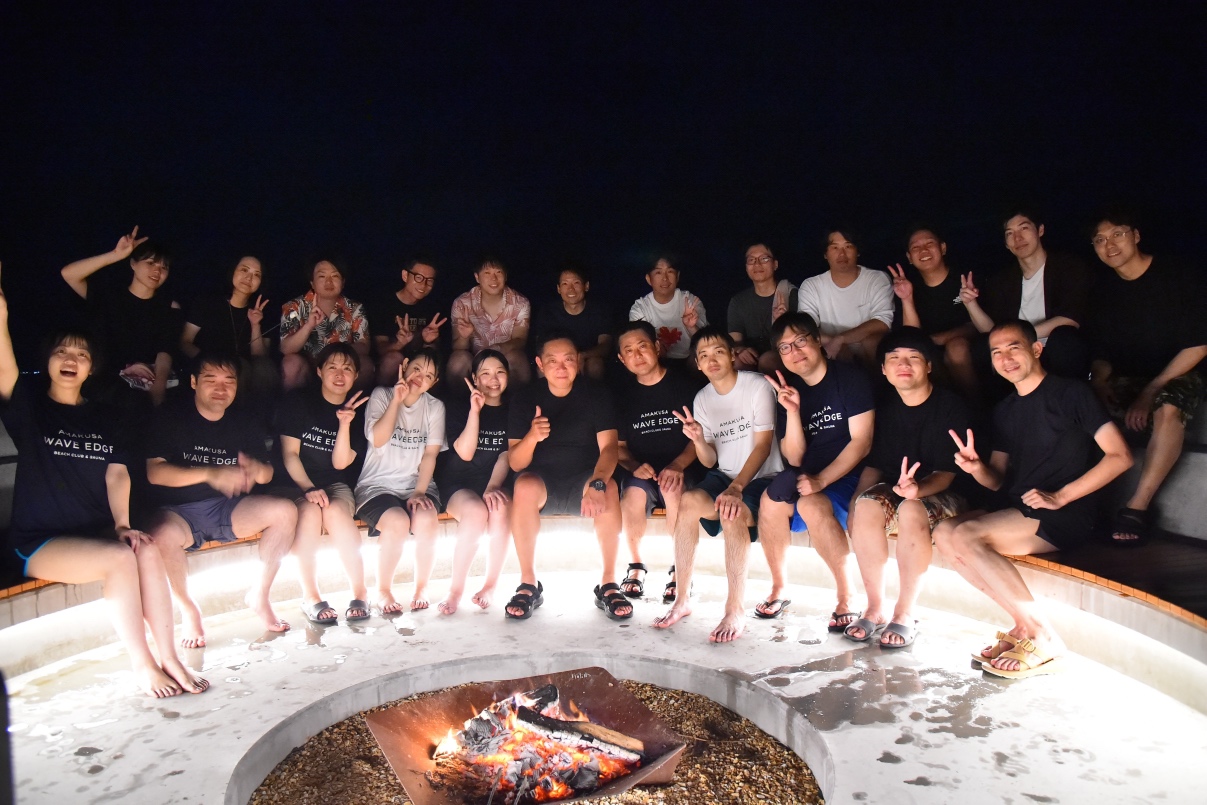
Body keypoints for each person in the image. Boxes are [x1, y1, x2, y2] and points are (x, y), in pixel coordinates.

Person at [0, 262, 207, 698]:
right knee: (117, 560)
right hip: (39, 540)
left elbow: (117, 473)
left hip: (95, 530)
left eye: (81, 355)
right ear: (48, 361)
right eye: (62, 352)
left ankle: (169, 656)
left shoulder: (104, 416)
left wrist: (121, 525)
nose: (70, 360)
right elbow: (5, 369)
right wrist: (1, 318)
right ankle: (143, 664)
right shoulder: (30, 409)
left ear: (92, 367)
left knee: (144, 548)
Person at [934, 320, 1132, 679]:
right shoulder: (1005, 409)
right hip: (1022, 508)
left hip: (1068, 513)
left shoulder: (1072, 394)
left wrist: (1060, 496)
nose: (1005, 358)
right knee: (944, 533)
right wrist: (976, 468)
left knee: (965, 535)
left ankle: (1044, 636)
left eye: (1014, 347)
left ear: (1036, 350)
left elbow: (1120, 456)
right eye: (996, 352)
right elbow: (997, 480)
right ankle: (1022, 624)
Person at [146, 353, 299, 648]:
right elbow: (155, 472)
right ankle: (188, 608)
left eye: (229, 381)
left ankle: (260, 594)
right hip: (179, 513)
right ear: (193, 382)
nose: (221, 388)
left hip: (227, 508)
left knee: (284, 511)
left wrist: (256, 470)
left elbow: (267, 473)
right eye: (211, 379)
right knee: (161, 535)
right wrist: (209, 473)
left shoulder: (244, 421)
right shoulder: (171, 416)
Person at [653, 325, 783, 642]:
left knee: (731, 511)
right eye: (704, 356)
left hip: (761, 476)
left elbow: (763, 445)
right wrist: (699, 440)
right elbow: (710, 460)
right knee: (687, 503)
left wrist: (737, 488)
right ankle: (682, 598)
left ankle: (734, 609)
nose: (711, 361)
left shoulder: (757, 386)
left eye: (719, 352)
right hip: (724, 475)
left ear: (733, 355)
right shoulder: (702, 399)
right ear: (697, 363)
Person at [1084, 211, 1207, 545]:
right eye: (1100, 240)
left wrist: (1151, 389)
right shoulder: (1104, 292)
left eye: (1117, 234)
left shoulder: (1177, 276)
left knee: (1168, 405)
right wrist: (1099, 382)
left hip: (1179, 372)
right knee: (1079, 401)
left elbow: (1199, 345)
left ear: (1136, 235)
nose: (1109, 245)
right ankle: (1080, 503)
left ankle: (1136, 508)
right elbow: (1103, 353)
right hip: (1130, 377)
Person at [843, 328, 971, 647]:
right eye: (895, 358)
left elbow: (947, 474)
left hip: (949, 492)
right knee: (866, 505)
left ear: (928, 366)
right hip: (902, 488)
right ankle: (875, 608)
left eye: (914, 357)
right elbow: (874, 465)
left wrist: (918, 490)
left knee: (912, 508)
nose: (904, 364)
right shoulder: (886, 408)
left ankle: (905, 613)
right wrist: (856, 501)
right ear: (884, 369)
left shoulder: (951, 406)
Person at [759, 312, 874, 633]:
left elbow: (862, 442)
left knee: (811, 504)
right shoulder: (789, 390)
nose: (794, 352)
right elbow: (794, 456)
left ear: (818, 340)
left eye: (800, 341)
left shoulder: (849, 379)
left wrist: (822, 480)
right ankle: (779, 588)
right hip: (809, 476)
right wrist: (793, 412)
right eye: (785, 348)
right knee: (769, 501)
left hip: (851, 474)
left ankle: (846, 596)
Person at [506, 332, 627, 621]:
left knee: (609, 487)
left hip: (584, 480)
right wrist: (532, 436)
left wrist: (597, 483)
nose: (561, 368)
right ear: (539, 364)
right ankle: (528, 583)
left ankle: (608, 583)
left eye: (568, 360)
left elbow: (609, 448)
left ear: (578, 361)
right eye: (553, 361)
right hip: (542, 483)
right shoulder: (525, 398)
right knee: (523, 486)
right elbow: (516, 462)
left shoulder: (596, 394)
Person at [277, 344, 370, 625]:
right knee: (309, 513)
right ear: (319, 371)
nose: (340, 375)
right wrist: (308, 488)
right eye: (332, 367)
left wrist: (345, 424)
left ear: (356, 375)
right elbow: (290, 454)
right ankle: (311, 596)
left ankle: (361, 592)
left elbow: (341, 464)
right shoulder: (299, 402)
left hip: (334, 483)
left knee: (336, 512)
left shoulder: (359, 409)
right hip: (295, 483)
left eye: (347, 369)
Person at [614, 321, 702, 600]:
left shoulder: (685, 387)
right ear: (621, 359)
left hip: (682, 469)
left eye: (642, 346)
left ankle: (680, 569)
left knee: (672, 487)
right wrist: (633, 466)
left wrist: (678, 465)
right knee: (632, 494)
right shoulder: (621, 397)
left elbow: (700, 438)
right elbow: (619, 448)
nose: (637, 355)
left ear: (656, 347)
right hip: (643, 472)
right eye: (629, 350)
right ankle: (636, 566)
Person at [354, 347, 445, 614]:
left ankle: (421, 587)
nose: (420, 377)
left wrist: (419, 492)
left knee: (426, 518)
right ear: (404, 366)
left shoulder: (435, 407)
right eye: (416, 369)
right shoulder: (382, 395)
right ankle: (383, 590)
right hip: (376, 485)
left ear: (434, 382)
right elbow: (378, 439)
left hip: (416, 484)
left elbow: (430, 454)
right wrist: (396, 400)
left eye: (428, 375)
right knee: (397, 521)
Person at [958, 210, 1091, 380]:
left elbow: (1070, 318)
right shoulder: (1002, 280)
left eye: (1024, 228)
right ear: (1006, 244)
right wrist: (970, 303)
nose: (1018, 238)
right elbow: (993, 332)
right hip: (1017, 351)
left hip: (1054, 347)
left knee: (1065, 340)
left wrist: (1019, 338)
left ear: (1040, 230)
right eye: (1010, 233)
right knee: (982, 347)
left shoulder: (1068, 267)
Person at [59, 226, 178, 409]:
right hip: (102, 382)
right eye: (150, 263)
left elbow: (166, 349)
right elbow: (69, 274)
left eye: (164, 267)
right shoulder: (108, 296)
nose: (157, 270)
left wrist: (158, 387)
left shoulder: (168, 306)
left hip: (145, 385)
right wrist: (115, 255)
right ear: (133, 264)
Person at [434, 349, 513, 614]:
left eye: (500, 372)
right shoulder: (458, 406)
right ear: (475, 378)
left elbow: (506, 454)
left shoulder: (514, 409)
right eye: (486, 373)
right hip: (458, 481)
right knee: (476, 512)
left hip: (494, 480)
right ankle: (455, 590)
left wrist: (492, 486)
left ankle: (490, 586)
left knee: (499, 507)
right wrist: (475, 411)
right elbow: (465, 453)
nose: (493, 379)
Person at [886, 227, 978, 398]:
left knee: (956, 348)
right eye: (916, 247)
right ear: (909, 257)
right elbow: (911, 335)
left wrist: (939, 339)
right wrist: (907, 298)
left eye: (929, 244)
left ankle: (973, 404)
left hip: (966, 345)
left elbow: (977, 326)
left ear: (943, 248)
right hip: (928, 348)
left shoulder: (965, 278)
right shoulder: (907, 285)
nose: (923, 251)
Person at [180, 256, 276, 419]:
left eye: (256, 274)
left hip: (247, 368)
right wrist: (208, 361)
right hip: (210, 363)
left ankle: (262, 423)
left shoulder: (262, 310)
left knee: (263, 368)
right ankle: (232, 421)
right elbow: (185, 341)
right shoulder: (208, 302)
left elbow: (260, 356)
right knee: (238, 368)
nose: (249, 278)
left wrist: (255, 324)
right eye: (244, 270)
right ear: (232, 271)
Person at [797, 229, 893, 368]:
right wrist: (835, 342)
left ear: (857, 251)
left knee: (872, 342)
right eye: (835, 247)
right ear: (825, 254)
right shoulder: (811, 285)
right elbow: (806, 328)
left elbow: (883, 321)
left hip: (868, 350)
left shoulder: (877, 279)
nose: (842, 254)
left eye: (848, 246)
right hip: (830, 349)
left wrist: (841, 339)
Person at [279, 258, 373, 390]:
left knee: (365, 364)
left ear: (343, 282)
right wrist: (308, 326)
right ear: (312, 282)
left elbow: (364, 345)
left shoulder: (354, 307)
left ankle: (356, 402)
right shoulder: (294, 306)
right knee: (291, 364)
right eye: (322, 276)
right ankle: (292, 402)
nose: (329, 282)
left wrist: (334, 357)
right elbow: (286, 348)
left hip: (342, 366)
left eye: (335, 276)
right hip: (308, 366)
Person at [448, 256, 531, 383]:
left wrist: (496, 348)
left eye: (498, 272)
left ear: (505, 276)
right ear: (477, 277)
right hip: (474, 361)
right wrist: (464, 337)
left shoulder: (520, 302)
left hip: (504, 359)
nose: (493, 278)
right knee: (458, 360)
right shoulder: (462, 303)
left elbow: (520, 340)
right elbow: (458, 348)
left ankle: (517, 396)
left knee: (518, 358)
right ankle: (462, 396)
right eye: (487, 273)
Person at [368, 256, 447, 387]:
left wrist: (428, 341)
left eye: (429, 280)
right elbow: (380, 348)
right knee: (394, 358)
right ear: (405, 276)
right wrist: (399, 343)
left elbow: (436, 348)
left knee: (430, 357)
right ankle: (384, 396)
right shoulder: (384, 305)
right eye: (418, 277)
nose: (423, 284)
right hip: (392, 364)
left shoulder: (432, 306)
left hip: (418, 363)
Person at [533, 262, 612, 379]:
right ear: (559, 289)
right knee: (543, 368)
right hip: (559, 358)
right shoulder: (548, 312)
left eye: (576, 283)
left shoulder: (599, 310)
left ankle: (593, 391)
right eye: (565, 284)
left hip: (587, 358)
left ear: (586, 286)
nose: (571, 289)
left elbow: (605, 345)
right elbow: (541, 344)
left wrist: (583, 356)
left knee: (595, 364)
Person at [728, 243, 797, 372]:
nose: (757, 264)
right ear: (746, 267)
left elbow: (800, 336)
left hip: (782, 352)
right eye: (751, 260)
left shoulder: (790, 294)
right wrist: (741, 349)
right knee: (735, 361)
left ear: (775, 264)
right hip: (752, 355)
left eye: (764, 259)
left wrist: (783, 321)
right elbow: (735, 341)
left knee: (768, 361)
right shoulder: (738, 301)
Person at [628, 254, 707, 363]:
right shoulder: (640, 308)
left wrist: (691, 327)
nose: (665, 278)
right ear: (649, 279)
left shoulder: (690, 301)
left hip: (690, 360)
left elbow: (707, 342)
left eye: (670, 271)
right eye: (658, 272)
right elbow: (639, 346)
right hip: (657, 360)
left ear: (677, 276)